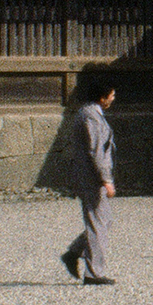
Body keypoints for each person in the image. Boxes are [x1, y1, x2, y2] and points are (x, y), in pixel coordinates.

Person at [57, 81, 119, 285]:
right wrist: (106, 180)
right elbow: (95, 151)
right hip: (90, 177)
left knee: (104, 220)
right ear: (102, 97)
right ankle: (93, 273)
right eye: (111, 95)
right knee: (97, 223)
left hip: (91, 175)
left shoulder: (93, 113)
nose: (113, 98)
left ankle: (74, 252)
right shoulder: (90, 116)